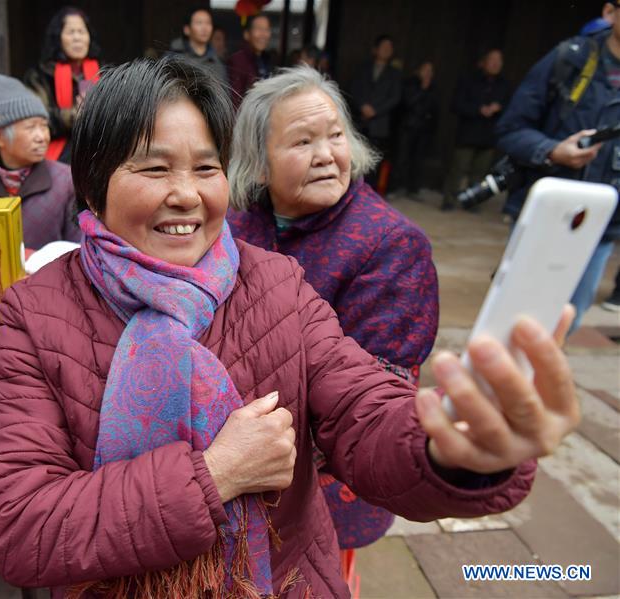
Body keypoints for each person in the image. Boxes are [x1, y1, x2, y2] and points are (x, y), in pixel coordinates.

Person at [0, 55, 580, 598]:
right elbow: (19, 527)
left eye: (206, 167)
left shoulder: (276, 284)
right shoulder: (35, 313)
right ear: (94, 181)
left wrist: (455, 450)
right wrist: (215, 475)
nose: (187, 195)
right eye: (155, 169)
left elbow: (365, 412)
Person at [225, 66, 438, 580]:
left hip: (322, 479)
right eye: (302, 141)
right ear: (258, 165)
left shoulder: (390, 244)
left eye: (336, 135)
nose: (326, 155)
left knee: (317, 577)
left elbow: (378, 387)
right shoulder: (236, 222)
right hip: (232, 467)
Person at [496, 1, 620, 331]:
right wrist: (552, 151)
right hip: (549, 215)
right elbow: (510, 129)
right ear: (610, 11)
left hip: (604, 225)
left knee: (565, 324)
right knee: (516, 319)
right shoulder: (571, 58)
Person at [0, 75, 80, 249]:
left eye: (44, 126)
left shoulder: (66, 180)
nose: (42, 137)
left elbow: (79, 247)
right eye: (31, 127)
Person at [25, 6, 100, 165]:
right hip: (61, 150)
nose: (77, 38)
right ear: (58, 38)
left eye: (81, 32)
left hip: (98, 146)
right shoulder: (40, 74)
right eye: (71, 32)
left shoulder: (103, 71)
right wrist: (76, 115)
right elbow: (36, 118)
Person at [442, 48, 512, 211]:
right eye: (492, 60)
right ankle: (449, 200)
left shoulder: (504, 84)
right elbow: (456, 104)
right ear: (484, 62)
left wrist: (498, 108)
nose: (495, 64)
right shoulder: (469, 80)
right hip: (468, 132)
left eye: (499, 60)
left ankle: (473, 201)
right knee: (458, 169)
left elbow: (511, 109)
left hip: (489, 135)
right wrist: (478, 109)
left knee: (480, 173)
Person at [349, 34, 402, 191]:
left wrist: (375, 110)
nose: (386, 50)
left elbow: (395, 97)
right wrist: (362, 106)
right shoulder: (362, 68)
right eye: (383, 47)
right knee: (356, 158)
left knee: (375, 161)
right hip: (360, 120)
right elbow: (353, 89)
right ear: (375, 49)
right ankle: (353, 191)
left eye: (389, 48)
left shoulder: (394, 73)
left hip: (380, 123)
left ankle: (370, 193)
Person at [392, 60, 439, 198]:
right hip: (407, 127)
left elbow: (435, 110)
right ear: (418, 71)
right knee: (401, 159)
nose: (428, 74)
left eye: (431, 71)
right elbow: (408, 102)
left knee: (418, 161)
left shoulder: (434, 89)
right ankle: (394, 188)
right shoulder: (409, 84)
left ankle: (413, 189)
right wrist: (423, 89)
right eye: (425, 70)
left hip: (423, 130)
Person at [167, 8, 227, 86]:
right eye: (199, 23)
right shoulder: (173, 58)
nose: (204, 28)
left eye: (208, 23)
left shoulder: (217, 63)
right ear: (187, 29)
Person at [227, 14, 274, 109]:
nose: (263, 34)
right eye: (259, 29)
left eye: (267, 29)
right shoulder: (237, 60)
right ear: (247, 34)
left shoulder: (267, 59)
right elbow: (235, 100)